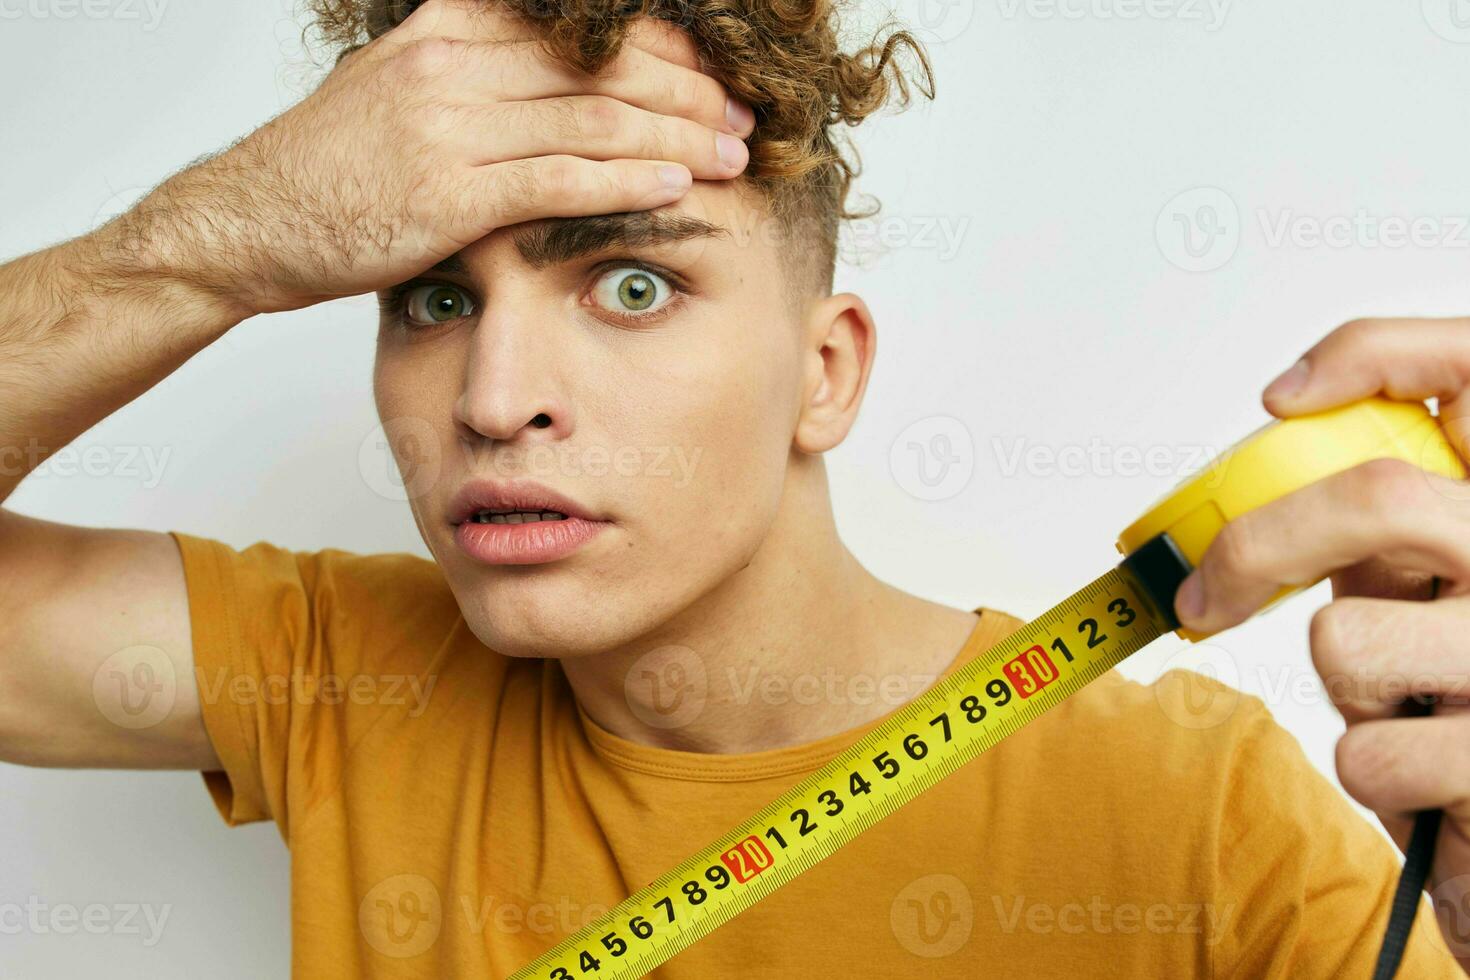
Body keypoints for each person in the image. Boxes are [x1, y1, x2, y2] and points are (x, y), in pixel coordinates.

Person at [1, 0, 1466, 975]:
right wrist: (211, 239)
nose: (495, 396)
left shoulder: (1195, 811)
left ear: (824, 371)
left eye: (630, 282)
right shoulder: (337, 675)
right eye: (431, 301)